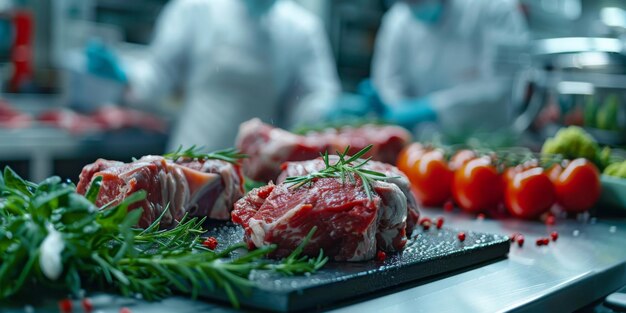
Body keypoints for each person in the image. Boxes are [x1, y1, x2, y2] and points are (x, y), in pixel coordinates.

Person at [86, 0, 340, 151]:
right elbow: (157, 76)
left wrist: (327, 111)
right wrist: (124, 74)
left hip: (260, 173)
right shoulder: (196, 8)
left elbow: (315, 96)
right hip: (191, 158)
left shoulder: (302, 28)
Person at [371, 0, 529, 134]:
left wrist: (433, 108)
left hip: (491, 141)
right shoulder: (398, 20)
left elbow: (503, 86)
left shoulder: (495, 7)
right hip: (421, 149)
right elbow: (389, 82)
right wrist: (393, 107)